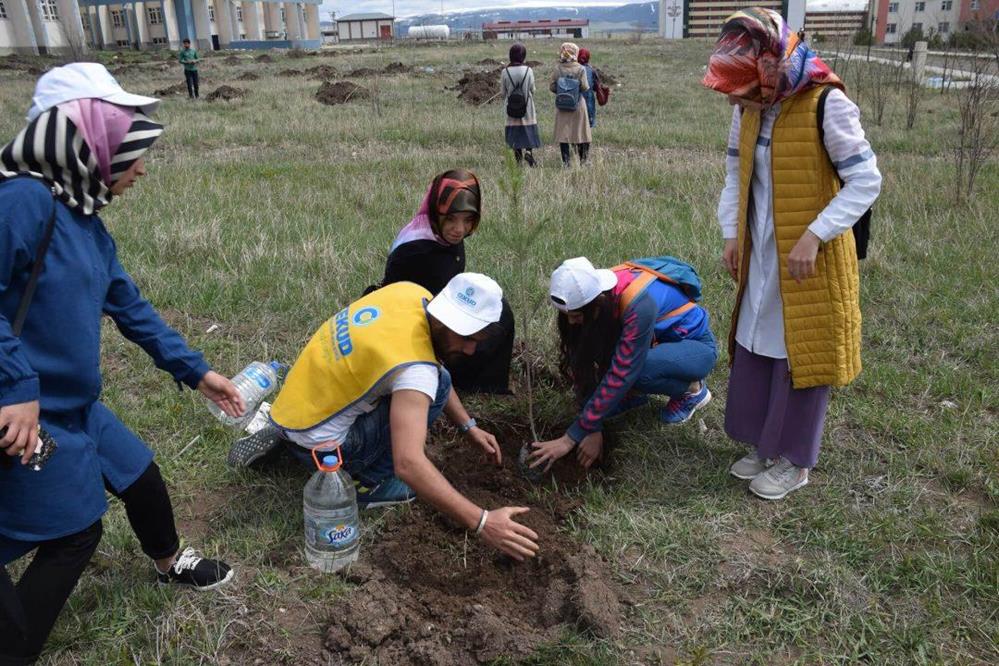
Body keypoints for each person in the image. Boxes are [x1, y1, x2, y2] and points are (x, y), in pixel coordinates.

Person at [0, 63, 244, 663]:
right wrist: (17, 383)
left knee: (140, 476)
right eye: (129, 150)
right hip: (28, 411)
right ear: (88, 143)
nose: (140, 168)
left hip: (75, 406)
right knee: (74, 531)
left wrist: (197, 371)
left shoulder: (85, 223)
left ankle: (169, 563)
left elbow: (130, 309)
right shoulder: (23, 202)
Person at [227, 274, 541, 562]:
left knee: (435, 380)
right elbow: (408, 463)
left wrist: (468, 426)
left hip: (297, 405)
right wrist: (483, 521)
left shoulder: (410, 294)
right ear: (450, 321)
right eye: (468, 338)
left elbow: (432, 370)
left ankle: (288, 438)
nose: (471, 350)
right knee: (432, 389)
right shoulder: (416, 370)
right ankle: (368, 485)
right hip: (328, 449)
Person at [704, 8, 881, 499]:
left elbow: (866, 180)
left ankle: (795, 460)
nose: (738, 97)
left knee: (798, 351)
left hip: (810, 259)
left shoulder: (826, 104)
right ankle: (764, 444)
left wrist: (815, 234)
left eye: (743, 85)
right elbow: (736, 175)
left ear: (771, 62)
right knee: (759, 339)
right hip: (762, 249)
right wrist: (730, 234)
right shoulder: (752, 107)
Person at [528, 257, 718, 474]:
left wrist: (570, 438)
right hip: (653, 344)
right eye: (567, 316)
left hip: (694, 348)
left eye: (577, 316)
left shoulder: (638, 303)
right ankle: (633, 395)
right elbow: (581, 360)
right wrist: (593, 426)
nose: (571, 322)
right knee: (608, 356)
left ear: (597, 303)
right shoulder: (593, 296)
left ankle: (692, 391)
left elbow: (622, 372)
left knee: (638, 371)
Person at [367, 170, 514, 394]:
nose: (459, 229)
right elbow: (399, 309)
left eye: (468, 220)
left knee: (499, 312)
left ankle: (483, 386)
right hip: (416, 331)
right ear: (437, 213)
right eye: (452, 219)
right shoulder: (415, 249)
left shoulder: (442, 237)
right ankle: (454, 384)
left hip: (442, 315)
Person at [549, 42, 591, 167]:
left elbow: (551, 87)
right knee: (582, 134)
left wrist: (562, 90)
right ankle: (583, 162)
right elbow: (585, 87)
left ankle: (566, 163)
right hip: (578, 104)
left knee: (563, 135)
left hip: (562, 105)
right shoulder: (581, 69)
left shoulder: (558, 68)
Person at [501, 43, 541, 167]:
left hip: (512, 107)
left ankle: (518, 163)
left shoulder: (505, 71)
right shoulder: (529, 70)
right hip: (527, 106)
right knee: (528, 129)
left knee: (515, 134)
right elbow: (533, 89)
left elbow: (503, 93)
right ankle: (529, 151)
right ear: (523, 56)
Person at [578, 48, 599, 129]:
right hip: (588, 100)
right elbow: (595, 86)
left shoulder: (574, 68)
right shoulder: (591, 70)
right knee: (588, 121)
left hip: (575, 100)